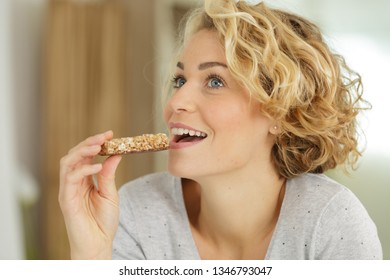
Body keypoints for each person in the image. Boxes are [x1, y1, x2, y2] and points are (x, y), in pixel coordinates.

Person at [59, 0, 382, 260]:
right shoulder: (137, 209)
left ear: (282, 112)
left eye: (215, 81)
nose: (177, 102)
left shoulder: (330, 221)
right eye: (179, 80)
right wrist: (93, 254)